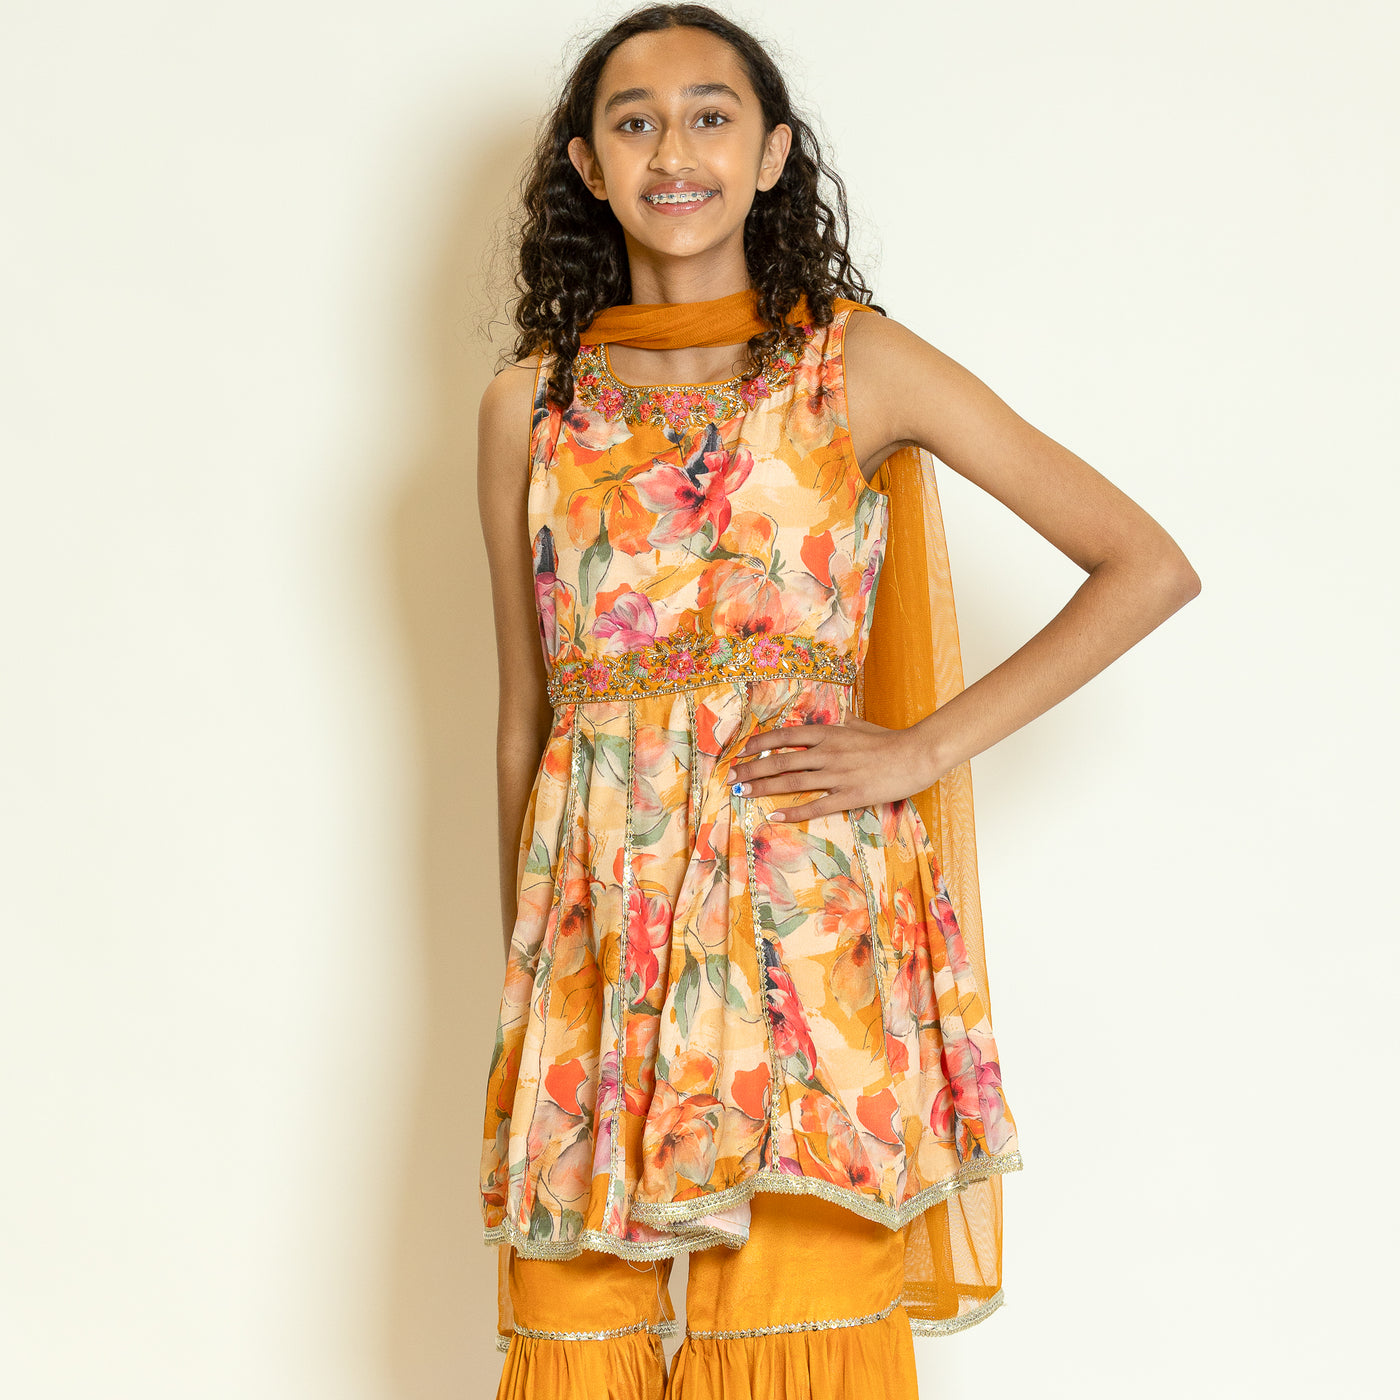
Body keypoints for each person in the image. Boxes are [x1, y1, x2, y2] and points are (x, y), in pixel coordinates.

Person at [474, 5, 1201, 1397]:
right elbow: (527, 713)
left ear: (770, 155)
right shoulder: (531, 407)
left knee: (794, 1325)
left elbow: (1144, 564)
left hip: (803, 924)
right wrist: (528, 979)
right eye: (634, 121)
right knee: (572, 1331)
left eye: (711, 115)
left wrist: (921, 749)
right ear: (586, 164)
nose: (672, 150)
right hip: (594, 941)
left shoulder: (851, 365)